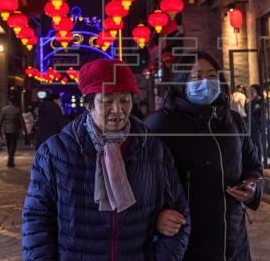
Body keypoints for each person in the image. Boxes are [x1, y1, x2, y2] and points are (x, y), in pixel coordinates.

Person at [22, 59, 190, 260]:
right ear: (88, 104)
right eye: (108, 100)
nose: (118, 110)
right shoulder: (55, 152)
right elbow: (36, 221)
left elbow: (180, 213)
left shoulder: (152, 149)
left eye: (125, 99)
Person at [145, 51, 263, 261]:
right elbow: (141, 182)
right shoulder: (161, 125)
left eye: (211, 75)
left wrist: (252, 187)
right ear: (182, 82)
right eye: (196, 77)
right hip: (186, 241)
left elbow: (253, 165)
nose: (206, 82)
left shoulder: (232, 121)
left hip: (233, 239)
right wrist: (156, 217)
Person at [0, 96, 25, 167]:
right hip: (14, 130)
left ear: (9, 101)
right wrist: (24, 130)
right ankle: (10, 160)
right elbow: (21, 121)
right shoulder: (18, 109)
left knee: (9, 144)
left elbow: (0, 120)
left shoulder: (4, 109)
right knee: (13, 145)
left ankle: (10, 158)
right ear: (14, 102)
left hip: (6, 130)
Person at [247, 84, 265, 163]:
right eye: (250, 90)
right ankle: (255, 159)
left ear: (257, 91)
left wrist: (260, 126)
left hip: (258, 125)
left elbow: (262, 114)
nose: (250, 92)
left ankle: (260, 159)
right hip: (251, 125)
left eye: (252, 90)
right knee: (253, 142)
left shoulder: (261, 101)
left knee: (258, 142)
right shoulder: (251, 101)